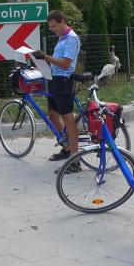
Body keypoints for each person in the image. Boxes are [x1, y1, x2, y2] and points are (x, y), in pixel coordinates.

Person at [32, 10, 82, 172]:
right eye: (51, 27)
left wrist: (45, 57)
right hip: (55, 80)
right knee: (53, 114)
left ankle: (75, 161)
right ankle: (67, 148)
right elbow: (57, 61)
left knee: (69, 119)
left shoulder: (72, 39)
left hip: (64, 82)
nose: (53, 30)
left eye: (54, 26)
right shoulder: (63, 37)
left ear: (62, 21)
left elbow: (66, 64)